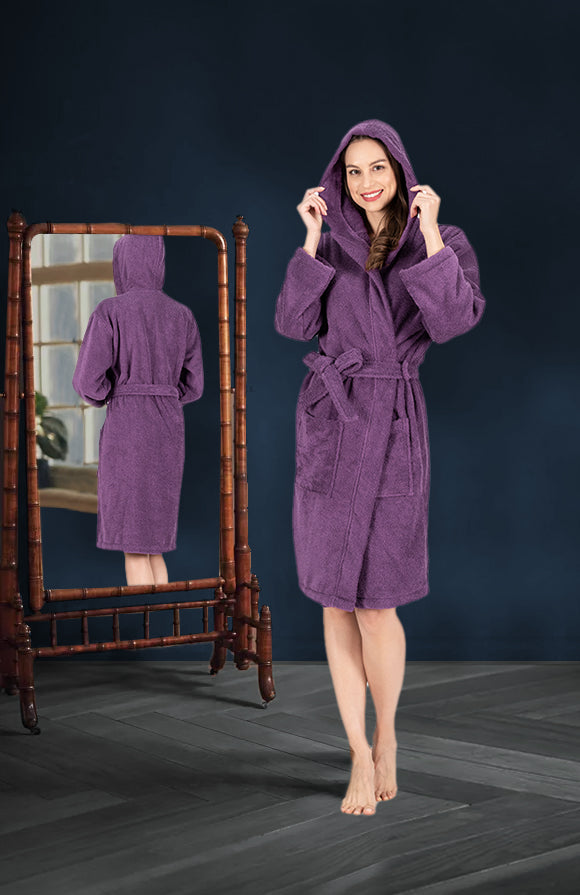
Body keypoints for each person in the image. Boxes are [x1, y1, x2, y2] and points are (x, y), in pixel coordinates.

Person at [274, 119, 486, 816]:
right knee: (335, 599)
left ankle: (388, 734)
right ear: (339, 176)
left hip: (393, 424)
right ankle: (358, 753)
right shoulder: (329, 242)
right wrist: (309, 240)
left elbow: (454, 321)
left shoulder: (440, 240)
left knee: (377, 603)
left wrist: (429, 234)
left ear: (401, 171)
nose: (366, 182)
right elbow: (291, 323)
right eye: (353, 170)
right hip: (331, 423)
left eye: (378, 168)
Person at [72, 234, 204, 586]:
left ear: (122, 263)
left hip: (128, 428)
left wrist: (113, 394)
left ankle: (146, 620)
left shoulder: (110, 311)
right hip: (168, 429)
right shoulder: (182, 315)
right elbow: (194, 386)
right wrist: (164, 395)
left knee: (133, 546)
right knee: (153, 545)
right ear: (158, 263)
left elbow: (87, 381)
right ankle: (165, 619)